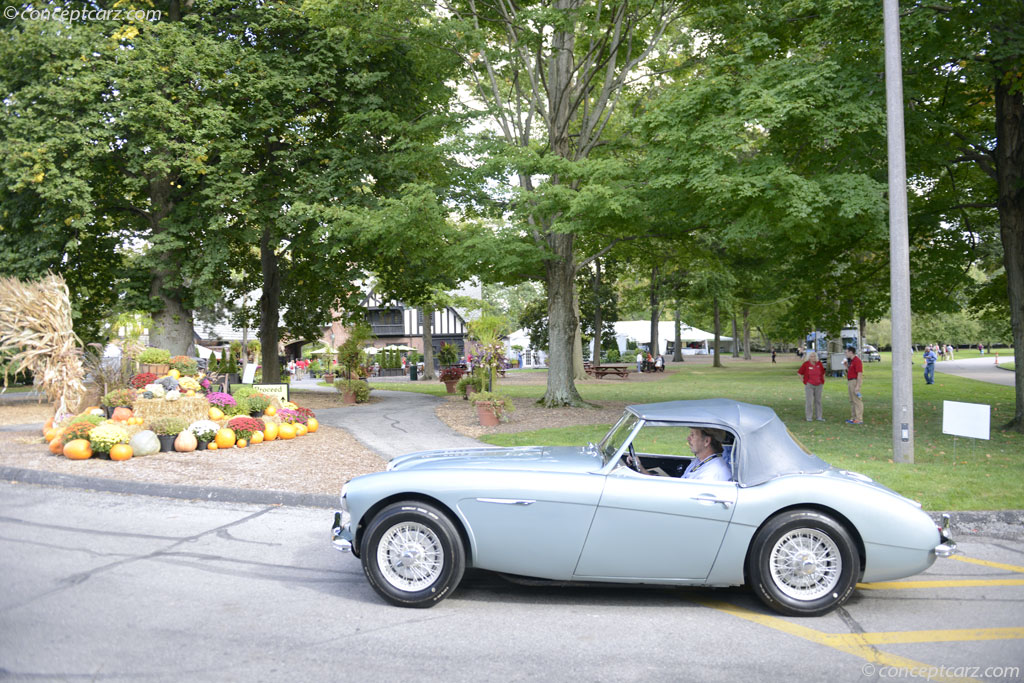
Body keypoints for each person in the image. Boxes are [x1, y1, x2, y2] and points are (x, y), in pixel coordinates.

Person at [797, 351, 826, 421]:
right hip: (809, 385)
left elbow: (823, 373)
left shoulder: (819, 364)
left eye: (814, 356)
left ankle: (819, 416)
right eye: (811, 356)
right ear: (809, 357)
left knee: (818, 401)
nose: (813, 357)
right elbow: (799, 373)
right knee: (809, 401)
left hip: (819, 384)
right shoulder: (806, 364)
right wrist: (804, 381)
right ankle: (809, 417)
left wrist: (823, 381)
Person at [844, 346, 863, 424]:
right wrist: (846, 367)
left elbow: (859, 374)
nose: (846, 353)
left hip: (854, 382)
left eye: (846, 352)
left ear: (851, 352)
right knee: (852, 400)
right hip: (850, 381)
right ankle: (853, 417)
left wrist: (857, 386)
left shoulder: (857, 361)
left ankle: (859, 418)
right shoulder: (851, 361)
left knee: (857, 400)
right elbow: (851, 371)